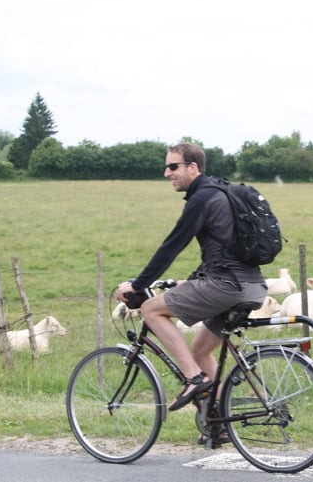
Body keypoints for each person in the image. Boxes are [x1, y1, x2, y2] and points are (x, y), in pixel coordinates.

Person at [115, 142, 266, 423]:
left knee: (150, 309)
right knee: (199, 349)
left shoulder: (203, 198)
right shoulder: (223, 192)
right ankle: (217, 424)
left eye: (173, 166)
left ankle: (193, 378)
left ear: (193, 167)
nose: (166, 173)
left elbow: (172, 245)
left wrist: (138, 285)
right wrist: (194, 278)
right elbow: (221, 251)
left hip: (225, 285)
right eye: (166, 167)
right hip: (253, 286)